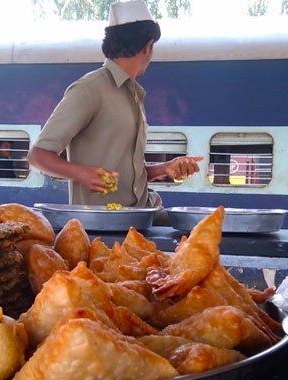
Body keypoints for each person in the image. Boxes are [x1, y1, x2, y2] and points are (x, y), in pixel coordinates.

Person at [27, 0, 203, 224]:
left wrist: (165, 169)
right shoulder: (89, 89)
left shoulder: (133, 93)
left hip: (142, 215)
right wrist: (81, 173)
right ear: (148, 46)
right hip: (104, 224)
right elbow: (38, 155)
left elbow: (130, 173)